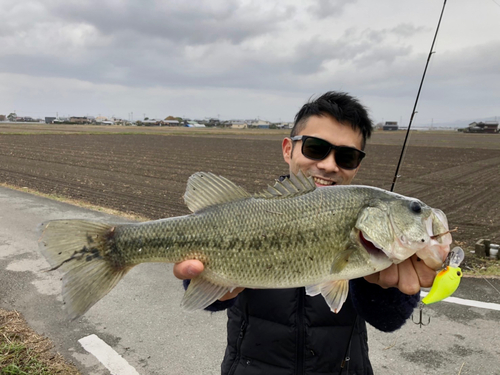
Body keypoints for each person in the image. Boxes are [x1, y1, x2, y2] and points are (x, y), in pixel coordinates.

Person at [174, 91, 438, 374]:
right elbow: (213, 301)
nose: (328, 164)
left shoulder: (372, 231)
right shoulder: (245, 214)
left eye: (346, 156)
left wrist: (384, 287)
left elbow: (387, 320)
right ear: (288, 149)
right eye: (314, 148)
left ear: (357, 165)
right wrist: (209, 285)